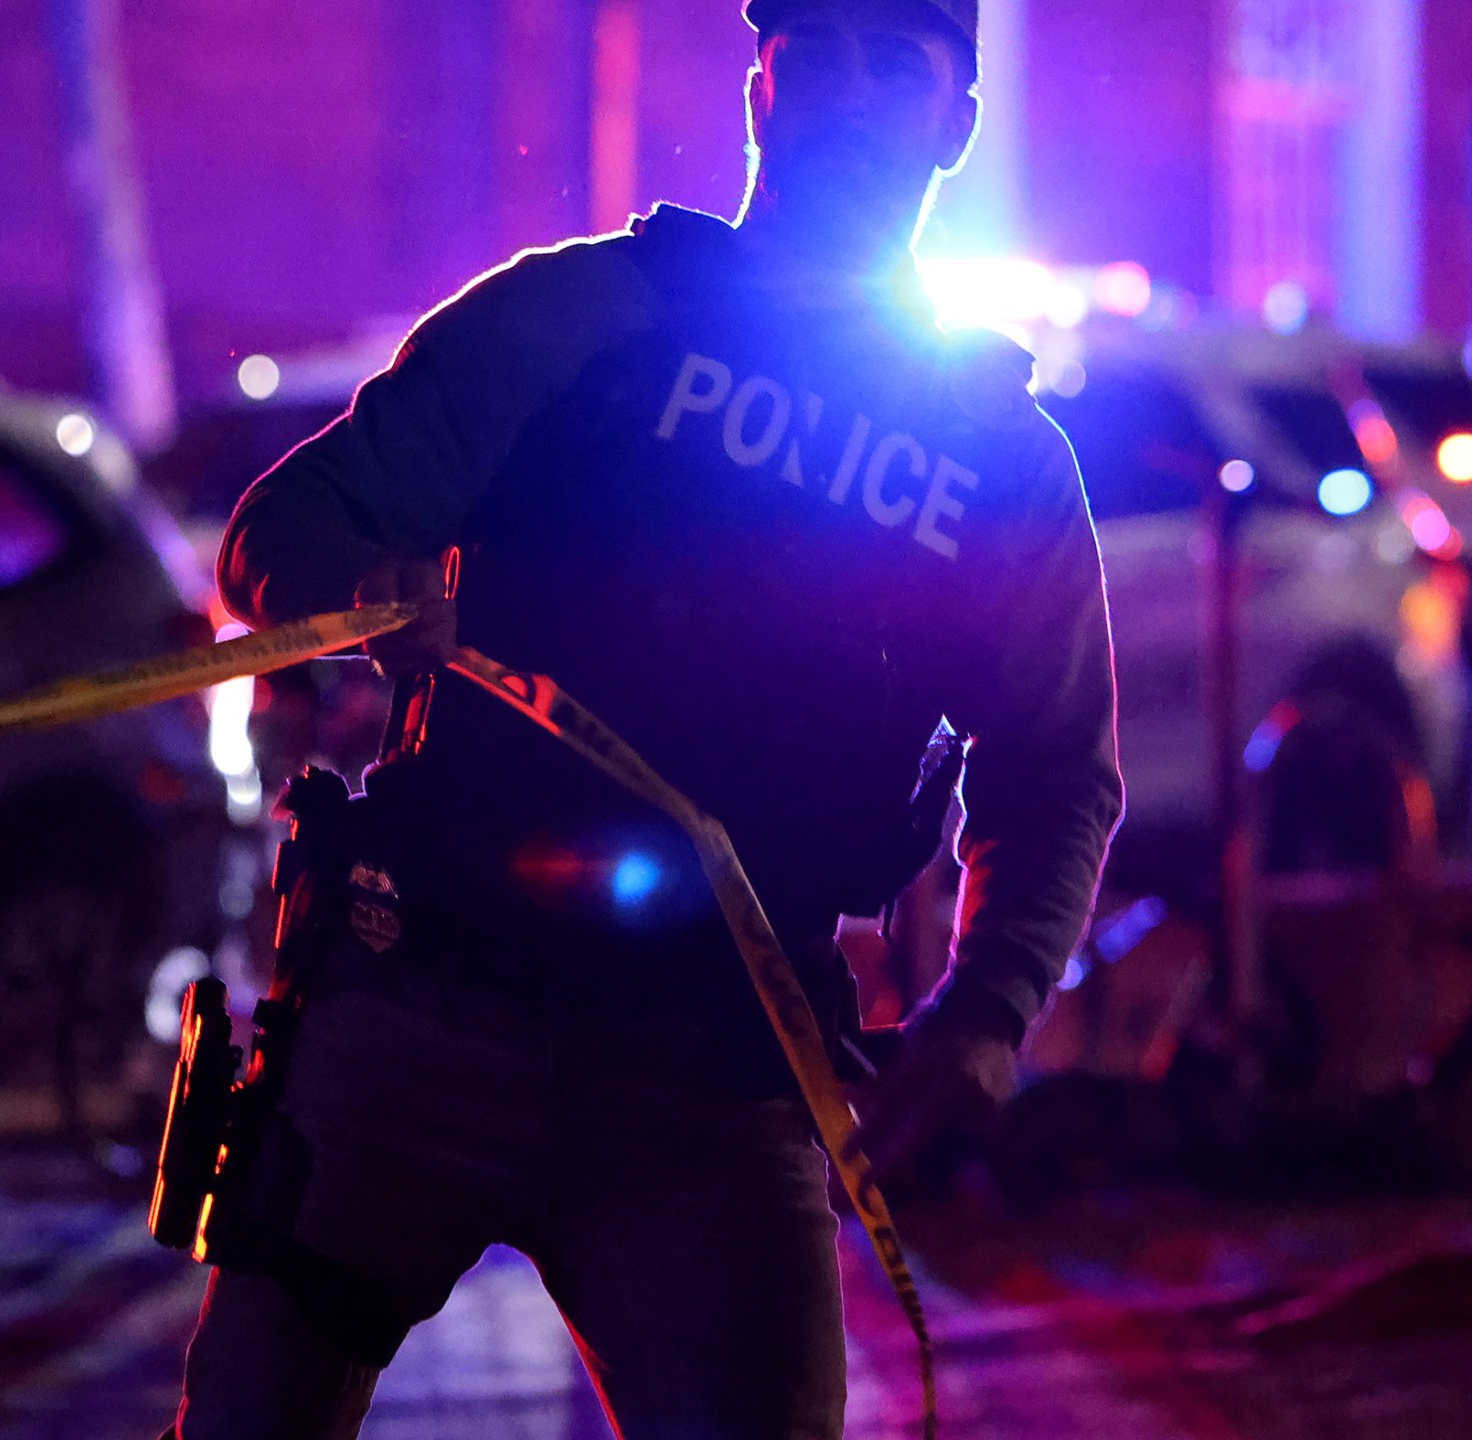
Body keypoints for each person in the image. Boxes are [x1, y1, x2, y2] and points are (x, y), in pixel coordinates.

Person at [171, 1, 1123, 1435]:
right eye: (826, 52)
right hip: (425, 995)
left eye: (900, 64)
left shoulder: (996, 455)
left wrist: (985, 1014)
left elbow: (1057, 771)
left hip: (721, 1067)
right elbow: (277, 534)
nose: (858, 93)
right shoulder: (574, 316)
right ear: (760, 89)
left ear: (955, 123)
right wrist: (372, 589)